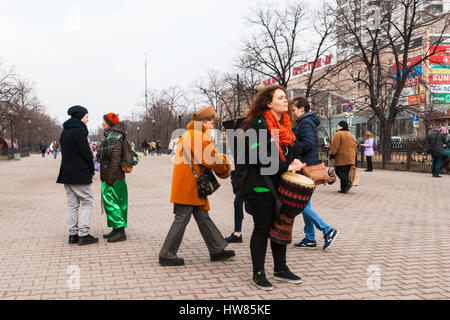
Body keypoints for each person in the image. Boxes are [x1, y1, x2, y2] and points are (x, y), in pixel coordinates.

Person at [239, 85, 305, 290]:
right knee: (262, 228)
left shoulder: (286, 126)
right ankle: (258, 273)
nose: (286, 100)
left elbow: (291, 151)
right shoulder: (258, 125)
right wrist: (288, 165)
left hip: (281, 184)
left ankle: (280, 268)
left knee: (281, 225)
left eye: (286, 97)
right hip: (260, 186)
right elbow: (259, 157)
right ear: (269, 103)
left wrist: (295, 162)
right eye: (281, 98)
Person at [159, 105, 235, 266]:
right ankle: (166, 254)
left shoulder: (189, 134)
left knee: (203, 217)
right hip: (191, 186)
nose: (213, 125)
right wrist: (225, 164)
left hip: (188, 185)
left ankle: (217, 249)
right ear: (203, 122)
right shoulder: (198, 137)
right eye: (211, 122)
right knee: (182, 219)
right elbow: (212, 159)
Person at [290, 96, 339, 250]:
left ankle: (327, 230)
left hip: (306, 166)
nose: (292, 113)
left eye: (294, 110)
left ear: (302, 109)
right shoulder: (306, 122)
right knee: (305, 203)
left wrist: (292, 142)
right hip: (306, 165)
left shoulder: (305, 122)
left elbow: (308, 144)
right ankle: (310, 238)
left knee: (299, 202)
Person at [56, 105, 97, 245]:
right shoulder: (79, 131)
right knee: (88, 202)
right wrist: (91, 170)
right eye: (86, 116)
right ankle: (83, 234)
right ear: (80, 117)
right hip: (79, 172)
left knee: (72, 205)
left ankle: (73, 234)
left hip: (67, 173)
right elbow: (86, 154)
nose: (87, 119)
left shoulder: (65, 131)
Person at [96, 113, 129, 242]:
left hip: (113, 178)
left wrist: (109, 178)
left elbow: (115, 159)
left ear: (109, 123)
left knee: (111, 203)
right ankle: (116, 229)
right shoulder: (112, 136)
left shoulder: (114, 138)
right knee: (116, 203)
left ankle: (120, 231)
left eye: (104, 121)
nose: (102, 123)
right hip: (114, 176)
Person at [330, 121, 357, 193]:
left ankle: (348, 182)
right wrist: (354, 156)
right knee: (346, 173)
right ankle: (344, 188)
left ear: (341, 126)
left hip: (341, 157)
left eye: (338, 126)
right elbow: (355, 147)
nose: (337, 127)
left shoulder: (338, 134)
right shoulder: (351, 135)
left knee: (338, 171)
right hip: (350, 157)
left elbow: (335, 146)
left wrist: (332, 155)